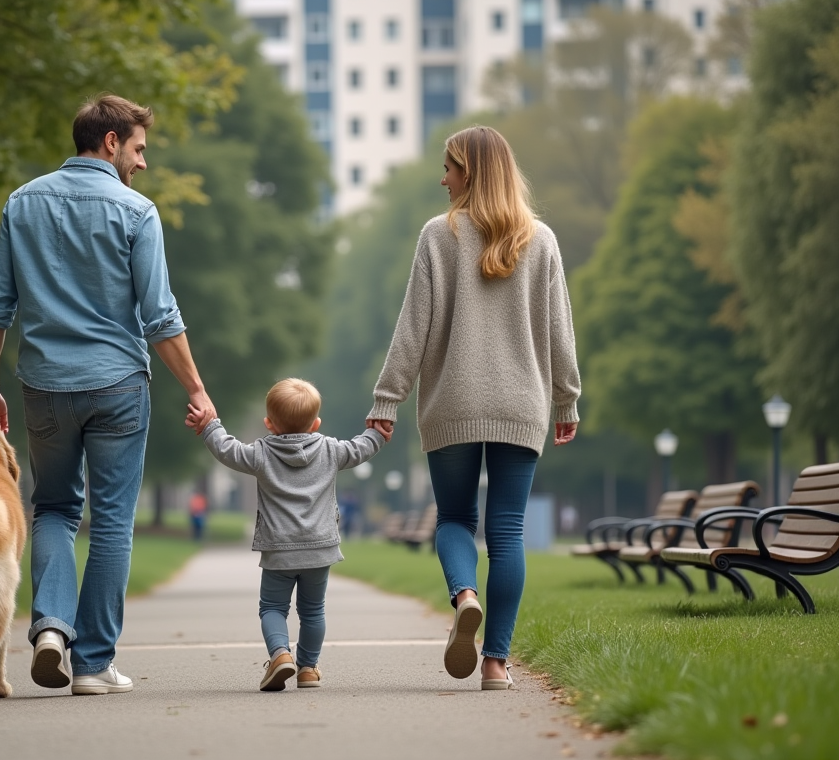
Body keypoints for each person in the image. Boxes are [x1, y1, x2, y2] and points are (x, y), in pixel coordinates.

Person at [0, 93, 217, 696]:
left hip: (45, 386)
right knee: (111, 523)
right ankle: (92, 664)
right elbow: (160, 316)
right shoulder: (137, 212)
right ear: (110, 142)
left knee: (53, 508)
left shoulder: (22, 203)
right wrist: (196, 388)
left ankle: (52, 629)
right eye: (138, 149)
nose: (143, 163)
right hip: (118, 387)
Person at [365, 125, 580, 691]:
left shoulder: (440, 235)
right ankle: (495, 663)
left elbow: (413, 326)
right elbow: (561, 331)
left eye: (450, 167)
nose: (443, 178)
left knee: (455, 518)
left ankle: (464, 596)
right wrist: (567, 398)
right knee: (507, 531)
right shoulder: (542, 239)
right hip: (521, 404)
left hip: (451, 401)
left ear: (473, 172)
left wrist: (387, 397)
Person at [189, 378, 384, 691]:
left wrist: (210, 426)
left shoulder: (261, 454)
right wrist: (378, 430)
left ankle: (280, 654)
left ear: (268, 424)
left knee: (273, 609)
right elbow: (361, 448)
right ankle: (308, 668)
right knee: (313, 611)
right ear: (316, 423)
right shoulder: (332, 450)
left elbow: (228, 450)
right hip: (320, 548)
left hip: (279, 549)